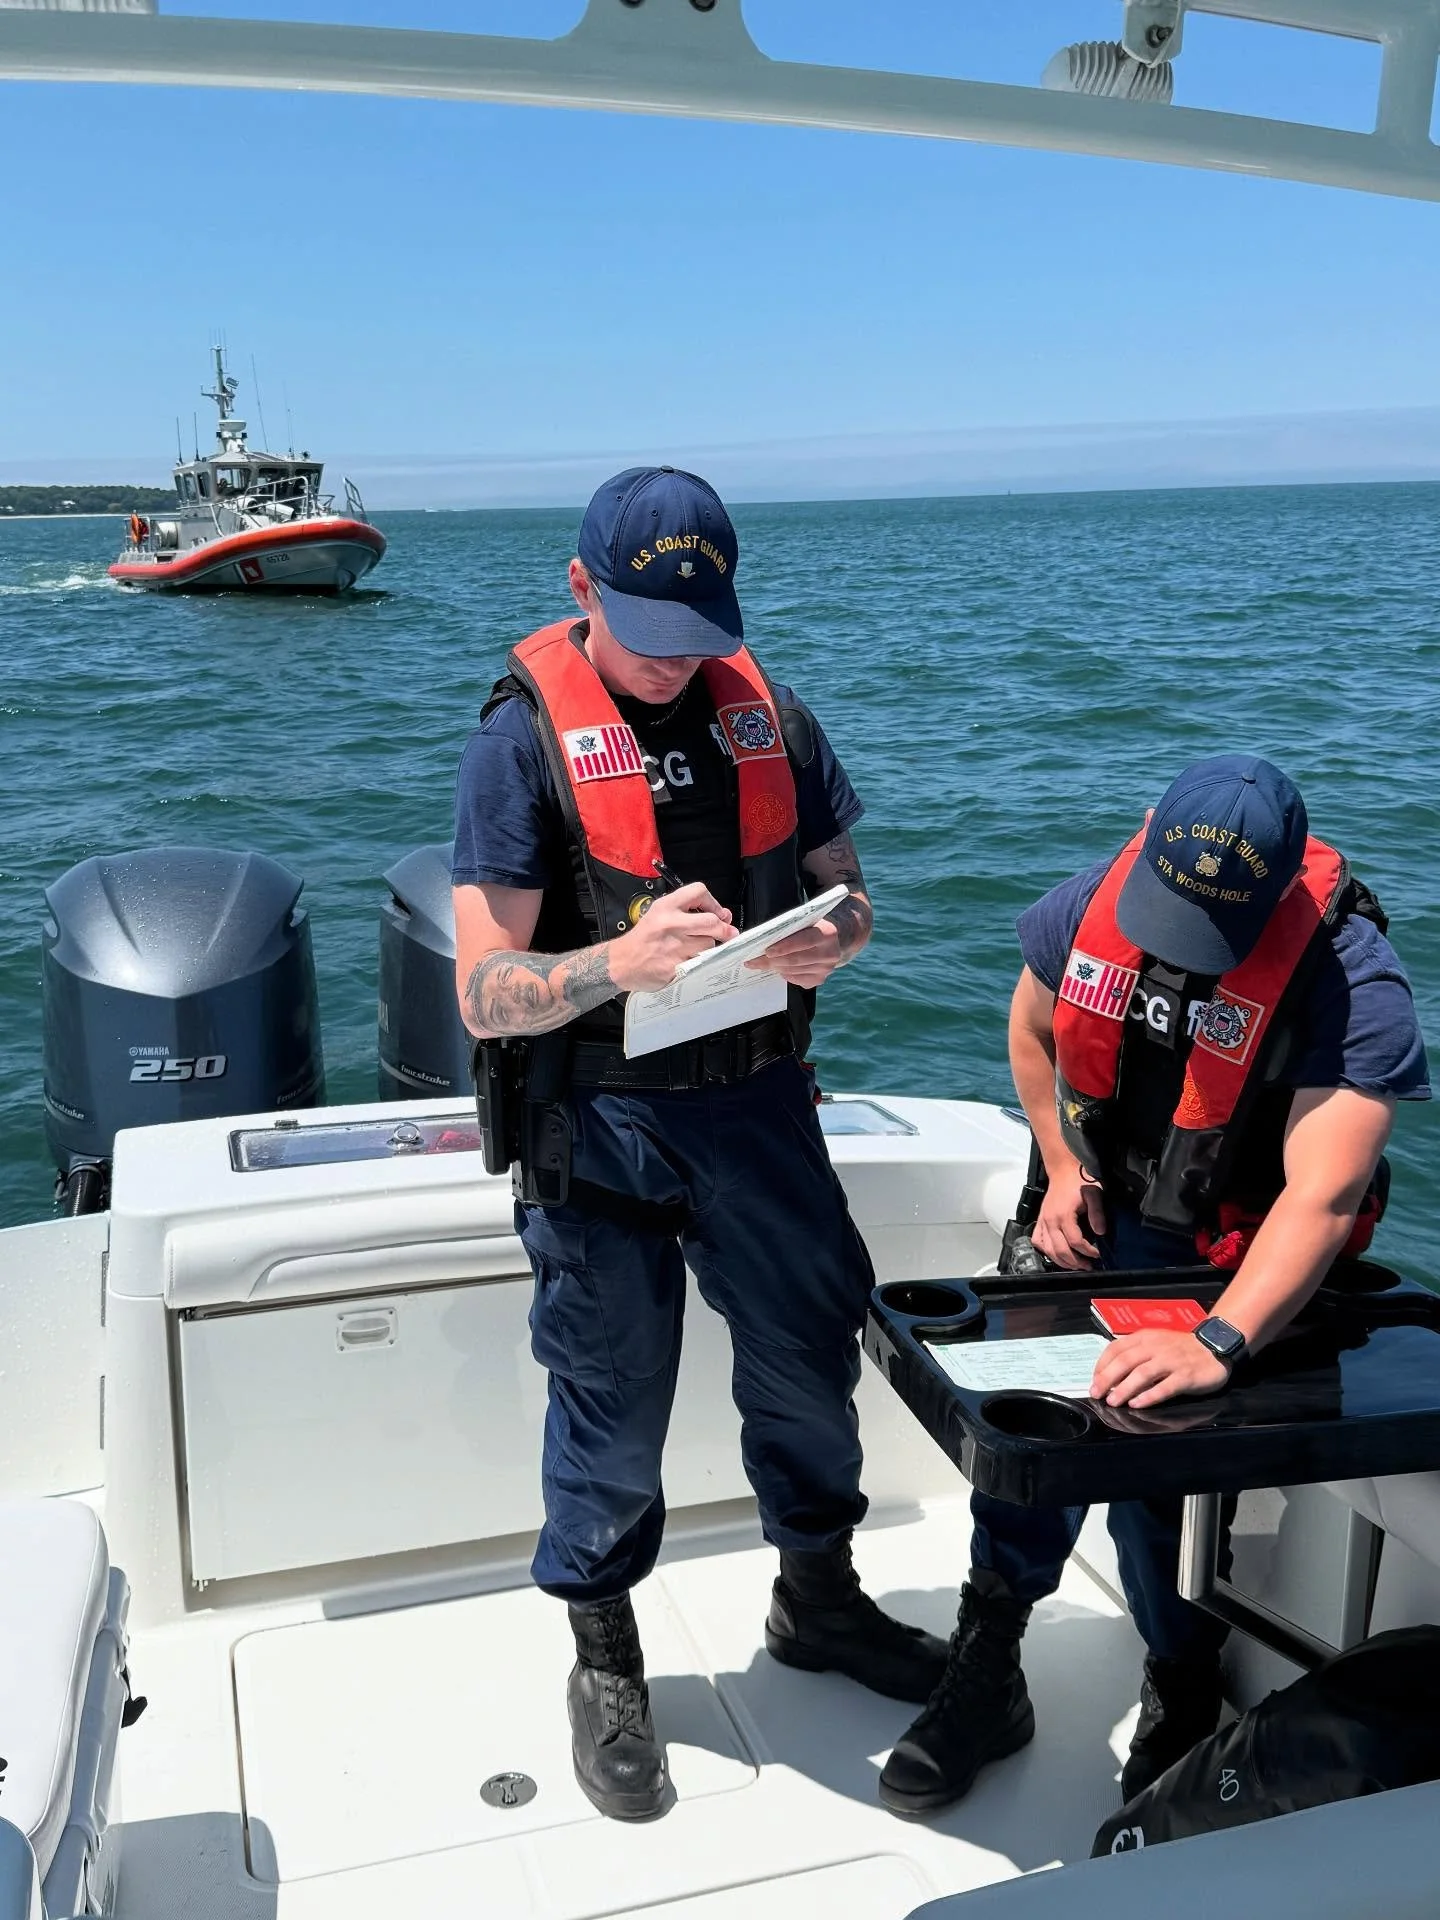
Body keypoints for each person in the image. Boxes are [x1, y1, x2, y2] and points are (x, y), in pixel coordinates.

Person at [452, 465, 946, 1822]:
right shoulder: (518, 743)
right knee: (610, 1406)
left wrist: (837, 935)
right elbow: (482, 986)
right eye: (646, 634)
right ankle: (605, 1654)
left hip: (760, 1110)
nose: (676, 666)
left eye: (697, 636)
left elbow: (848, 889)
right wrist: (618, 964)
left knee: (806, 1366)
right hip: (597, 1131)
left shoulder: (770, 712)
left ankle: (820, 1601)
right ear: (578, 591)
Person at [879, 754, 1430, 1816]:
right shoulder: (1094, 900)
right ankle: (987, 1665)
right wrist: (1061, 1162)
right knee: (1026, 1439)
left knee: (1160, 1487)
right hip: (1097, 1220)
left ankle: (1181, 1687)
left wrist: (1217, 1342)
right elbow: (1035, 1027)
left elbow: (1321, 1196)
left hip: (1228, 1262)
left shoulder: (1354, 983)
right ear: (1146, 836)